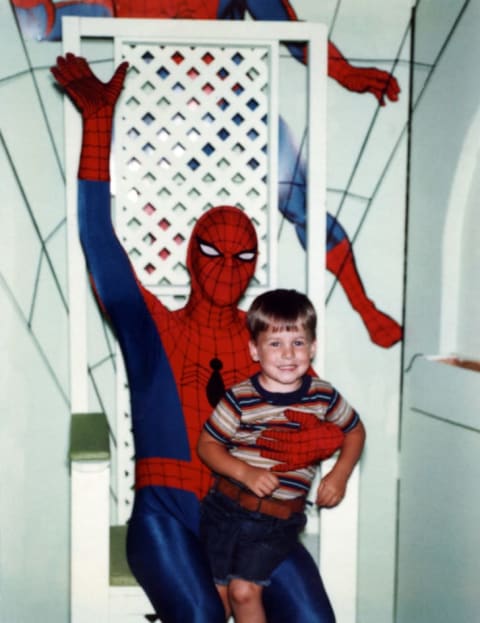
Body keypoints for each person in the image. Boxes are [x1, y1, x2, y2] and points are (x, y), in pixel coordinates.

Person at [51, 53, 347, 623]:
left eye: (242, 257)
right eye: (213, 252)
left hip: (249, 515)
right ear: (191, 258)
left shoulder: (268, 345)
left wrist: (318, 458)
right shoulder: (154, 328)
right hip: (167, 511)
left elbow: (315, 425)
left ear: (255, 267)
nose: (227, 266)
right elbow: (98, 241)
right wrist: (97, 124)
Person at [17, 0, 403, 347]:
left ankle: (363, 306)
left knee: (299, 201)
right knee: (130, 218)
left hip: (234, 111)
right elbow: (45, 23)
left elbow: (297, 36)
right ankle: (150, 331)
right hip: (156, 128)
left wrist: (347, 72)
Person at [197, 289, 366, 622]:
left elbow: (355, 431)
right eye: (275, 343)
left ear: (313, 347)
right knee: (217, 598)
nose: (288, 354)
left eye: (298, 343)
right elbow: (208, 445)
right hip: (224, 509)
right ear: (254, 350)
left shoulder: (323, 396)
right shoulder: (240, 398)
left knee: (244, 591)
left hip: (276, 521)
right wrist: (245, 473)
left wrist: (340, 474)